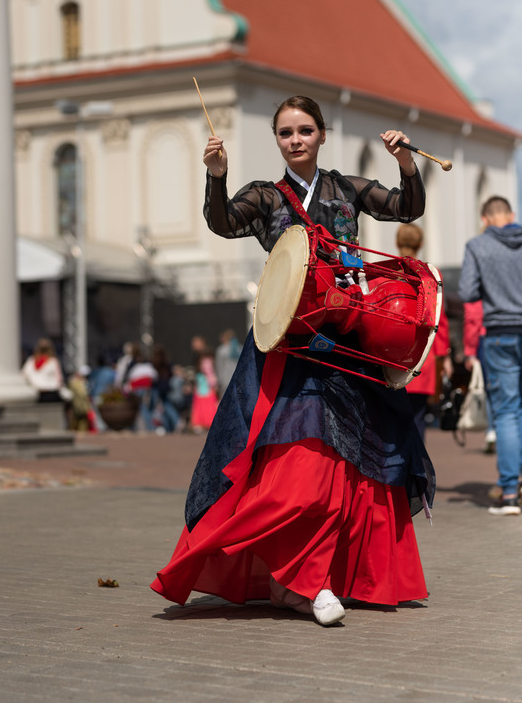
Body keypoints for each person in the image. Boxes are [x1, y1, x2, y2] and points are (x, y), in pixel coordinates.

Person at [151, 95, 435, 626]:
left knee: (357, 464)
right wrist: (217, 175)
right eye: (286, 133)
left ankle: (330, 579)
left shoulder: (347, 188)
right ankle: (300, 580)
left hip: (352, 339)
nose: (296, 139)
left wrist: (404, 164)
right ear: (277, 140)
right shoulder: (263, 194)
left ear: (322, 135)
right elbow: (222, 223)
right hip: (291, 345)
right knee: (301, 467)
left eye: (305, 130)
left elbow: (406, 207)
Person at [458, 196, 522, 515]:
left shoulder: (478, 246)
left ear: (484, 219)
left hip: (499, 334)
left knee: (508, 412)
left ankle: (510, 492)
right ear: (511, 215)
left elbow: (468, 292)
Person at [395, 223, 453, 440]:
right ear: (421, 244)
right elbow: (440, 320)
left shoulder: (388, 269)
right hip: (422, 358)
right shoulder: (431, 275)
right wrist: (443, 355)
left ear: (397, 243)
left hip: (393, 357)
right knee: (418, 422)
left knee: (392, 422)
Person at [462, 300, 496, 454]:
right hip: (513, 331)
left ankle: (491, 431)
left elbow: (472, 318)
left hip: (487, 337)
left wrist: (470, 352)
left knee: (489, 390)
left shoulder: (481, 288)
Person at [189, 335, 219, 433]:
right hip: (202, 386)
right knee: (201, 405)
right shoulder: (199, 357)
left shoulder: (206, 358)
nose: (193, 345)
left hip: (206, 387)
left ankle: (206, 424)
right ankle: (201, 424)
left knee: (206, 405)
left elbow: (210, 373)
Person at [21, 338, 66, 403]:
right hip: (51, 392)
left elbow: (24, 374)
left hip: (35, 392)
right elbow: (59, 379)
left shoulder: (31, 360)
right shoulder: (53, 361)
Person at [215, 329, 242, 398]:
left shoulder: (221, 350)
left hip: (226, 380)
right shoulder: (240, 348)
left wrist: (219, 380)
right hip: (239, 379)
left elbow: (219, 366)